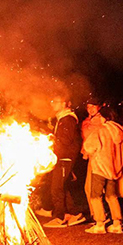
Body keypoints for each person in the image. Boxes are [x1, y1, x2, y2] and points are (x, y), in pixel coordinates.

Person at [82, 105, 123, 234]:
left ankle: (100, 223)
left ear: (105, 118)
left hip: (100, 167)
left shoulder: (100, 130)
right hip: (114, 169)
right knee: (112, 195)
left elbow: (89, 147)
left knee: (95, 195)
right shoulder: (120, 130)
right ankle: (117, 223)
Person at [44, 95, 85, 227]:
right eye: (52, 101)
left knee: (56, 188)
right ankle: (72, 214)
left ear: (64, 104)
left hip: (65, 158)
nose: (52, 104)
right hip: (62, 157)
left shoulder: (68, 119)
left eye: (55, 102)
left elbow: (66, 140)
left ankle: (60, 217)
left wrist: (52, 140)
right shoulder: (62, 119)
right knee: (63, 186)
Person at [81, 96, 106, 223]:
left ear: (99, 106)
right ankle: (96, 215)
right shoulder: (88, 121)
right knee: (89, 187)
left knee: (95, 187)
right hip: (91, 157)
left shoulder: (101, 120)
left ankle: (100, 216)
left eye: (93, 106)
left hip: (100, 156)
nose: (90, 109)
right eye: (88, 107)